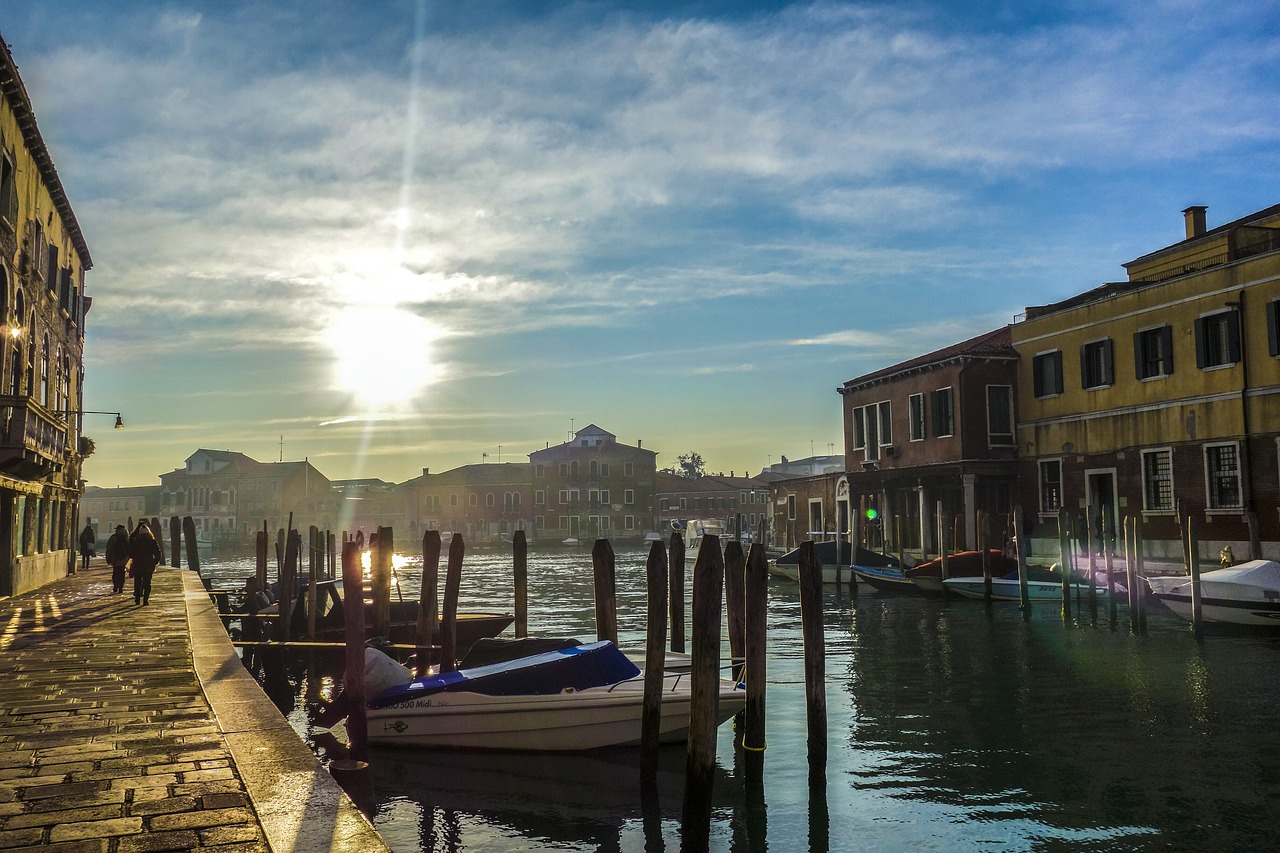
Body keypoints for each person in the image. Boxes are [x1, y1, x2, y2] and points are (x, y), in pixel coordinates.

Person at [128, 520, 164, 606]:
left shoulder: (136, 541)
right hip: (149, 564)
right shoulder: (152, 541)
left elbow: (131, 552)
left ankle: (137, 599)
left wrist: (133, 558)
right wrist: (156, 561)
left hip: (137, 564)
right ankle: (145, 600)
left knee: (137, 582)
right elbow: (158, 552)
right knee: (147, 583)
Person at [105, 524, 131, 594]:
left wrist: (108, 558)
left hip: (115, 558)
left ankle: (115, 585)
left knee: (116, 572)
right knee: (122, 573)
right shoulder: (127, 538)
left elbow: (109, 548)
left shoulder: (113, 537)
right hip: (124, 559)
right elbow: (130, 549)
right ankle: (121, 587)